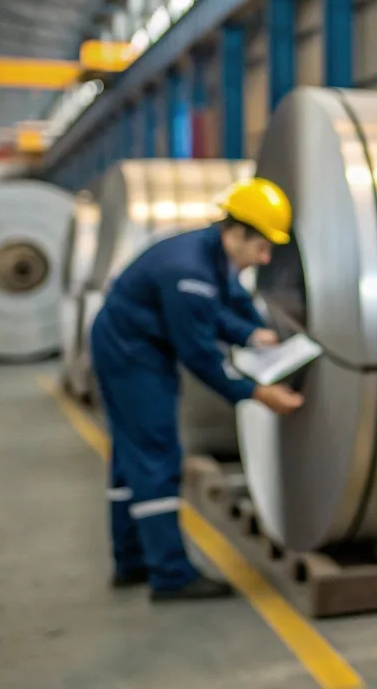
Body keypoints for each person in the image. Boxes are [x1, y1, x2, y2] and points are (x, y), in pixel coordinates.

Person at [89, 177, 304, 601]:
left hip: (130, 341)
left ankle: (130, 560)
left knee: (130, 455)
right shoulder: (188, 271)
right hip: (131, 353)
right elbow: (200, 353)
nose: (263, 258)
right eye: (261, 248)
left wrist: (250, 334)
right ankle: (170, 574)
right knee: (156, 454)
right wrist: (256, 394)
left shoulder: (210, 254)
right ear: (237, 232)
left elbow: (220, 307)